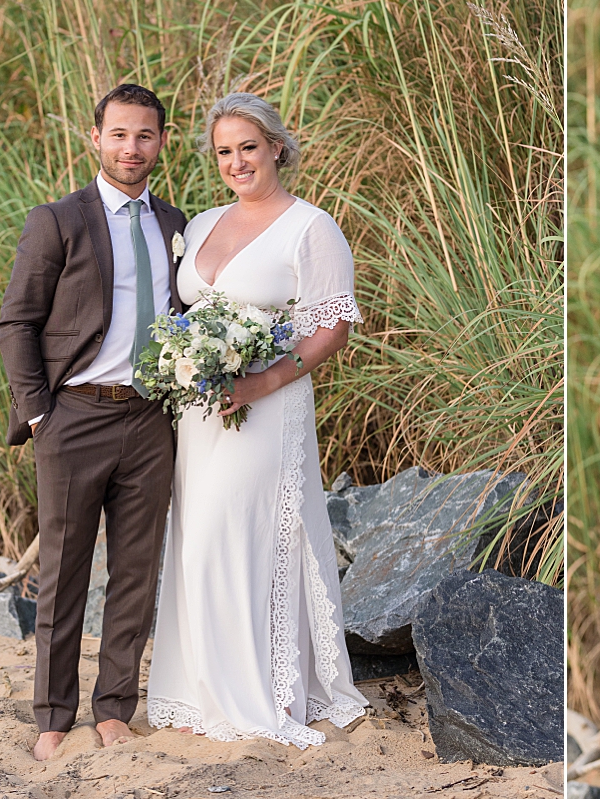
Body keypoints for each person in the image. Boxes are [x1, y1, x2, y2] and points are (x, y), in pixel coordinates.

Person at [146, 92, 368, 746]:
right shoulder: (209, 218)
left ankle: (256, 688)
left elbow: (331, 330)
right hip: (199, 412)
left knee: (235, 531)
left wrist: (257, 381)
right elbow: (185, 311)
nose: (237, 161)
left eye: (248, 146)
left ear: (275, 145)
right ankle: (198, 686)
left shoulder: (310, 227)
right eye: (224, 151)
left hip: (265, 408)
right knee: (195, 536)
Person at [0, 83, 188, 762]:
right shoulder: (59, 220)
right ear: (95, 138)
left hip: (149, 418)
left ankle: (114, 708)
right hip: (73, 416)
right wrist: (41, 413)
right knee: (64, 570)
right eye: (118, 134)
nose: (131, 147)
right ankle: (52, 714)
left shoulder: (175, 224)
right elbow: (15, 321)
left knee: (136, 572)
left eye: (144, 135)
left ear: (162, 142)